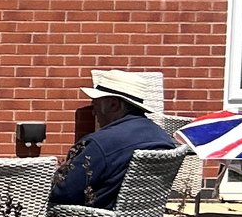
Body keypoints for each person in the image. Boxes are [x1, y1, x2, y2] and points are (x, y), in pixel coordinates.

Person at [50, 74, 181, 208]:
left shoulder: (99, 144)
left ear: (113, 105)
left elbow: (62, 192)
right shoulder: (163, 137)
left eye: (95, 105)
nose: (93, 113)